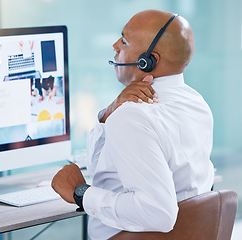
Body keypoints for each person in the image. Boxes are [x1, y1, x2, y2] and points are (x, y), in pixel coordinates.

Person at [51, 9, 214, 240]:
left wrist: (80, 194)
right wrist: (110, 113)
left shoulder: (132, 117)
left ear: (147, 61)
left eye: (124, 41)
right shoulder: (197, 104)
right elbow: (106, 173)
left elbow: (159, 214)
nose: (115, 46)